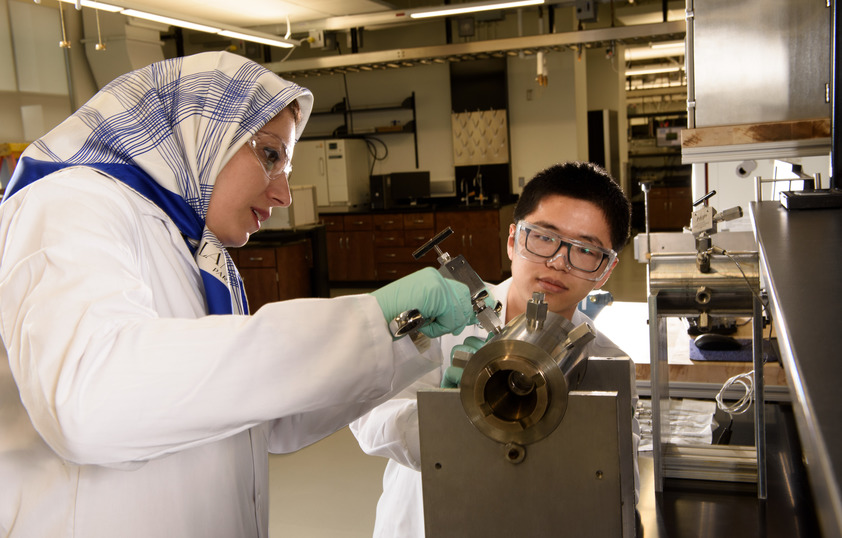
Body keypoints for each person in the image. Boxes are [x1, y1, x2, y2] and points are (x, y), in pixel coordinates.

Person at [0, 51, 476, 537]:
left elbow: (267, 418)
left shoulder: (194, 251)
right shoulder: (70, 205)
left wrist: (407, 337)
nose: (284, 195)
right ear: (201, 129)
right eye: (270, 155)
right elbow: (90, 405)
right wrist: (370, 319)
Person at [350, 161, 640, 537]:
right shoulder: (443, 320)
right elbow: (369, 417)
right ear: (513, 240)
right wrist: (451, 422)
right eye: (543, 237)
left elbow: (621, 480)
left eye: (585, 250)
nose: (556, 262)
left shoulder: (608, 361)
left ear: (605, 270)